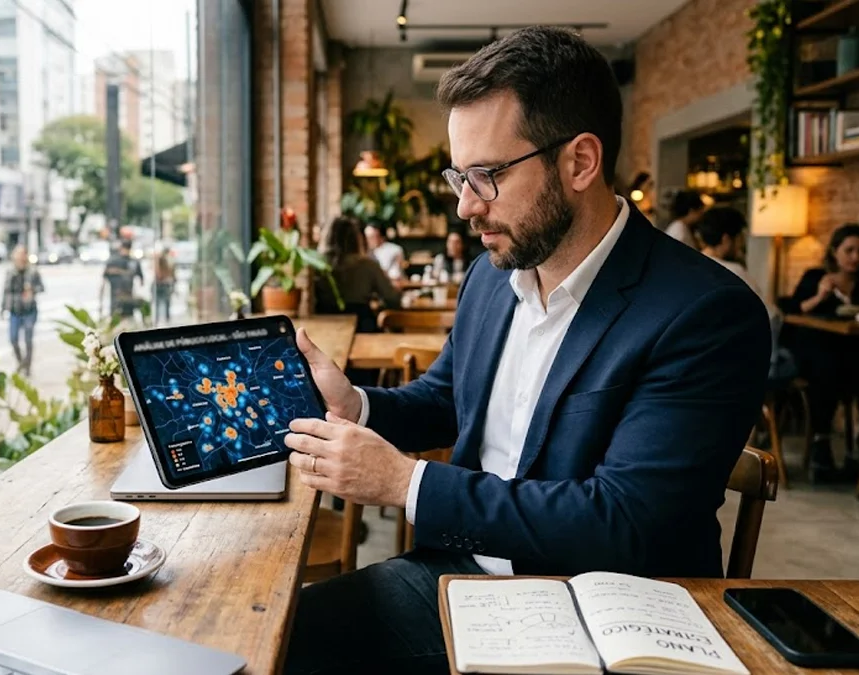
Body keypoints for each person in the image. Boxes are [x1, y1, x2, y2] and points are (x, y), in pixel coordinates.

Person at [281, 27, 770, 675]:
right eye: (460, 176)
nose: (463, 206)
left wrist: (406, 482)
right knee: (278, 634)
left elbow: (625, 522)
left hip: (598, 616)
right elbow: (446, 398)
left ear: (579, 162)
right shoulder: (492, 274)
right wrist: (359, 404)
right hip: (463, 575)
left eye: (484, 176)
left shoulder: (705, 312)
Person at [788, 223, 859, 481]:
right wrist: (820, 295)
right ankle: (821, 444)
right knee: (825, 369)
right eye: (849, 250)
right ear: (834, 251)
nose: (855, 257)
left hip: (856, 359)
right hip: (817, 357)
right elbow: (793, 309)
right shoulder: (817, 276)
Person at [695, 207, 786, 370]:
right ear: (726, 239)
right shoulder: (733, 271)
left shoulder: (690, 265)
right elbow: (770, 317)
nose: (742, 244)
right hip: (733, 363)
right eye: (740, 238)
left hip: (699, 359)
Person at [315, 216, 401, 332]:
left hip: (323, 324)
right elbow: (392, 299)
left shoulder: (316, 265)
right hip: (361, 325)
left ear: (326, 237)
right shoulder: (368, 265)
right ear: (356, 238)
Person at [0, 245, 44, 376]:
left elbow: (41, 287)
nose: (19, 257)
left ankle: (28, 367)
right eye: (17, 254)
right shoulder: (10, 272)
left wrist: (32, 290)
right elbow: (5, 291)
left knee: (28, 340)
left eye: (22, 254)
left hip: (29, 310)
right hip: (14, 310)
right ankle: (21, 362)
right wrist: (3, 308)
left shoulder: (33, 271)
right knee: (13, 339)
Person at [103, 239, 144, 319]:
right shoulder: (130, 261)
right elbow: (141, 279)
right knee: (121, 317)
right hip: (120, 295)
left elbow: (104, 278)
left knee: (122, 317)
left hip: (122, 295)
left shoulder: (115, 260)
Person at [153, 248, 176, 321]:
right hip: (163, 283)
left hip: (162, 283)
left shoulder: (163, 260)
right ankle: (164, 318)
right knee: (164, 302)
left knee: (162, 302)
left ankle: (162, 318)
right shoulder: (166, 260)